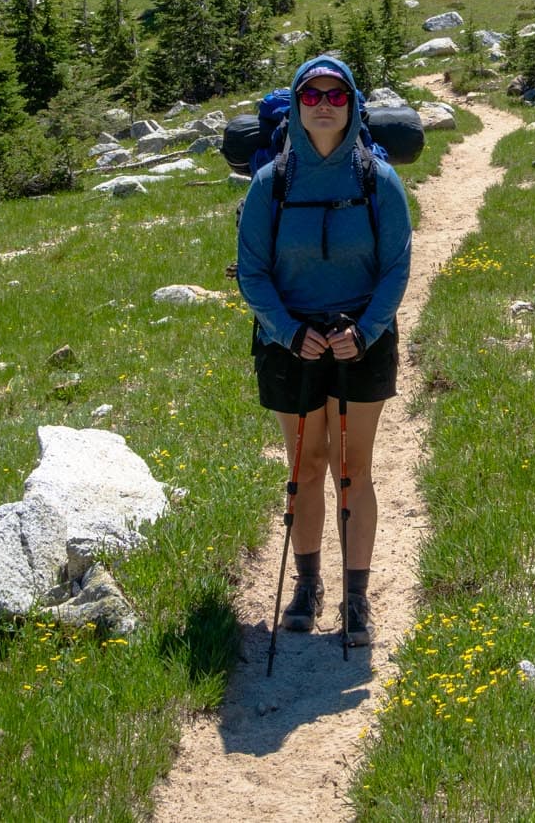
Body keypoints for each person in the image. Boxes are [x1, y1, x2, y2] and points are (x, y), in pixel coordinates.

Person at [233, 55, 412, 647]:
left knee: (352, 468)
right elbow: (252, 273)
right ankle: (308, 587)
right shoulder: (272, 183)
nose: (325, 105)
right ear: (298, 103)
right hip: (292, 344)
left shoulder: (377, 180)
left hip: (364, 338)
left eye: (337, 95)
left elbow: (395, 268)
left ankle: (356, 598)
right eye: (313, 96)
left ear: (354, 103)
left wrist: (365, 329)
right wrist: (288, 331)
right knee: (305, 466)